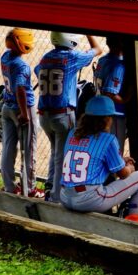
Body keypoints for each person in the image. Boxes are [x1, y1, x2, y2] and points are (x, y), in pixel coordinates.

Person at [35, 32, 104, 201]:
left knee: (55, 152)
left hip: (44, 115)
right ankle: (56, 197)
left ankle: (50, 187)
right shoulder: (72, 57)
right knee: (62, 155)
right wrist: (88, 33)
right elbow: (98, 49)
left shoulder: (45, 57)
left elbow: (38, 71)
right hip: (62, 115)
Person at [59, 96, 138, 220]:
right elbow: (123, 174)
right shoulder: (108, 139)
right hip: (90, 199)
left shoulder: (72, 133)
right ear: (106, 119)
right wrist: (130, 168)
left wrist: (120, 161)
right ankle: (134, 224)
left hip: (65, 196)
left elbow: (92, 160)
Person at [0, 28, 39, 197]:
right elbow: (20, 89)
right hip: (21, 108)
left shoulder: (5, 56)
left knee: (8, 148)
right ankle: (29, 188)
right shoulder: (21, 65)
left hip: (7, 107)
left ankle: (9, 186)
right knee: (29, 150)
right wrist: (24, 113)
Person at [94, 38, 127, 153]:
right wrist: (126, 99)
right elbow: (110, 93)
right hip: (114, 114)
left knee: (102, 149)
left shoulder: (102, 60)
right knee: (116, 151)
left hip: (98, 111)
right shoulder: (118, 65)